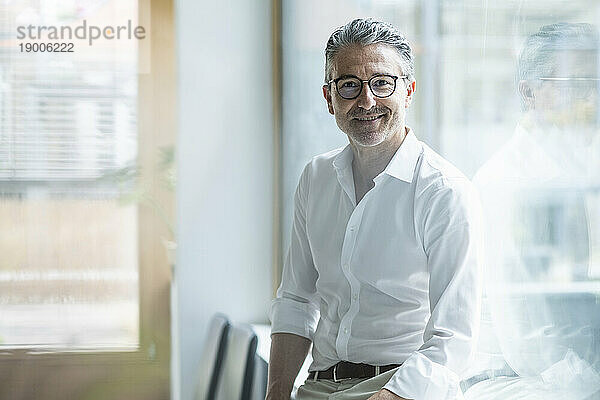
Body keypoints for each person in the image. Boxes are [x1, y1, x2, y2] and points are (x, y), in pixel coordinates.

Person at [267, 18, 483, 400]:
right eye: (349, 85)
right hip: (318, 385)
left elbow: (453, 339)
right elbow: (297, 300)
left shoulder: (443, 191)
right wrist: (277, 392)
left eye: (382, 83)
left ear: (409, 92)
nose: (366, 101)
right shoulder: (315, 177)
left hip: (400, 388)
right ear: (329, 98)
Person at [468, 23, 600, 400]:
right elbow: (533, 340)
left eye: (597, 83)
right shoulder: (509, 182)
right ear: (529, 93)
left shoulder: (568, 166)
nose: (592, 99)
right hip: (522, 379)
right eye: (577, 84)